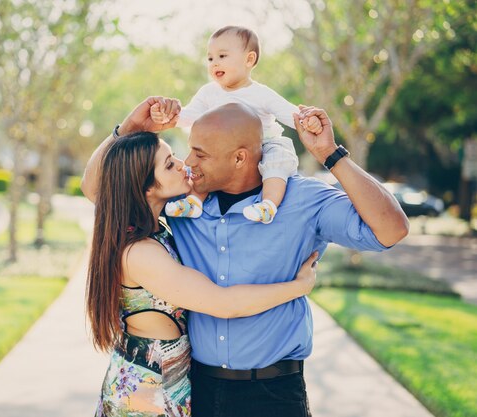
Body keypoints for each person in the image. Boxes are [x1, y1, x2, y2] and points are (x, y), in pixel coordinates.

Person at [82, 96, 409, 417]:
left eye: (199, 153)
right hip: (192, 388)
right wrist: (130, 128)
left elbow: (391, 231)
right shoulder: (180, 208)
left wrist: (330, 154)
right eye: (181, 156)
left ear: (239, 158)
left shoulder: (304, 201)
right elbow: (108, 187)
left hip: (273, 394)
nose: (188, 163)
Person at [84, 129, 319, 417]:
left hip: (167, 380)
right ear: (145, 187)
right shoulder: (140, 253)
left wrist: (128, 128)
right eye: (170, 164)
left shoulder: (158, 226)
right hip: (146, 393)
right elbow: (224, 304)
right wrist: (298, 286)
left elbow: (93, 186)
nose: (183, 164)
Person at [150, 26, 322, 224]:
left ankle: (268, 205)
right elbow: (189, 116)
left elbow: (289, 113)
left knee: (277, 161)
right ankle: (194, 202)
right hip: (223, 152)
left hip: (264, 143)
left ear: (249, 60)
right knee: (202, 164)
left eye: (222, 56)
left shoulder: (261, 93)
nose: (215, 63)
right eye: (210, 58)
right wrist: (166, 117)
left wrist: (309, 121)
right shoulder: (209, 92)